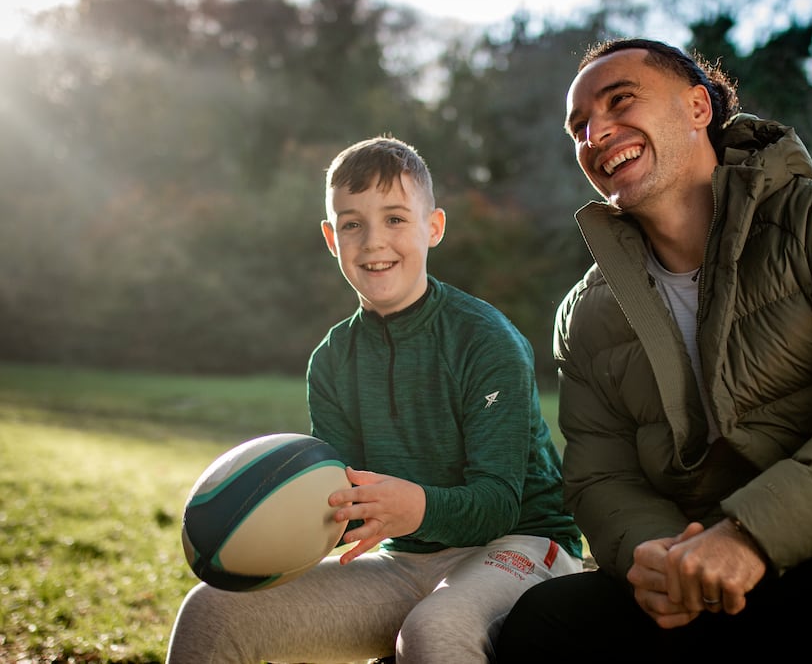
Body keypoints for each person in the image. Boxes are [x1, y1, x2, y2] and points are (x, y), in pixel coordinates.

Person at [496, 38, 812, 661]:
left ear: (699, 107)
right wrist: (657, 557)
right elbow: (601, 475)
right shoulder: (586, 314)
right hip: (702, 582)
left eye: (621, 100)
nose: (596, 131)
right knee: (544, 623)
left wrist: (754, 533)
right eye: (580, 126)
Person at [166, 135, 583, 664]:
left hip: (520, 547)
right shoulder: (333, 359)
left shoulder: (485, 338)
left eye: (394, 219)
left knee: (434, 631)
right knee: (212, 611)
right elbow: (339, 503)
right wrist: (266, 521)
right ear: (330, 237)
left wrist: (414, 507)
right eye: (351, 223)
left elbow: (498, 503)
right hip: (406, 560)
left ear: (433, 228)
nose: (372, 241)